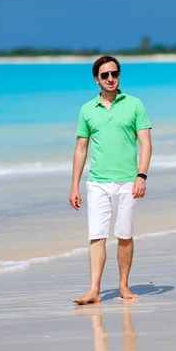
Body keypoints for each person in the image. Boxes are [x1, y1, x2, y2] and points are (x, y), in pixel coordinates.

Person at [69, 55, 153, 304]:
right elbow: (81, 149)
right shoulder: (87, 109)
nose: (110, 79)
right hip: (97, 182)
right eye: (104, 75)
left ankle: (123, 286)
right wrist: (74, 185)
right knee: (97, 235)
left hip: (128, 181)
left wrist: (141, 176)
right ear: (97, 79)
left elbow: (146, 144)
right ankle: (94, 289)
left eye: (114, 74)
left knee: (124, 235)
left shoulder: (135, 104)